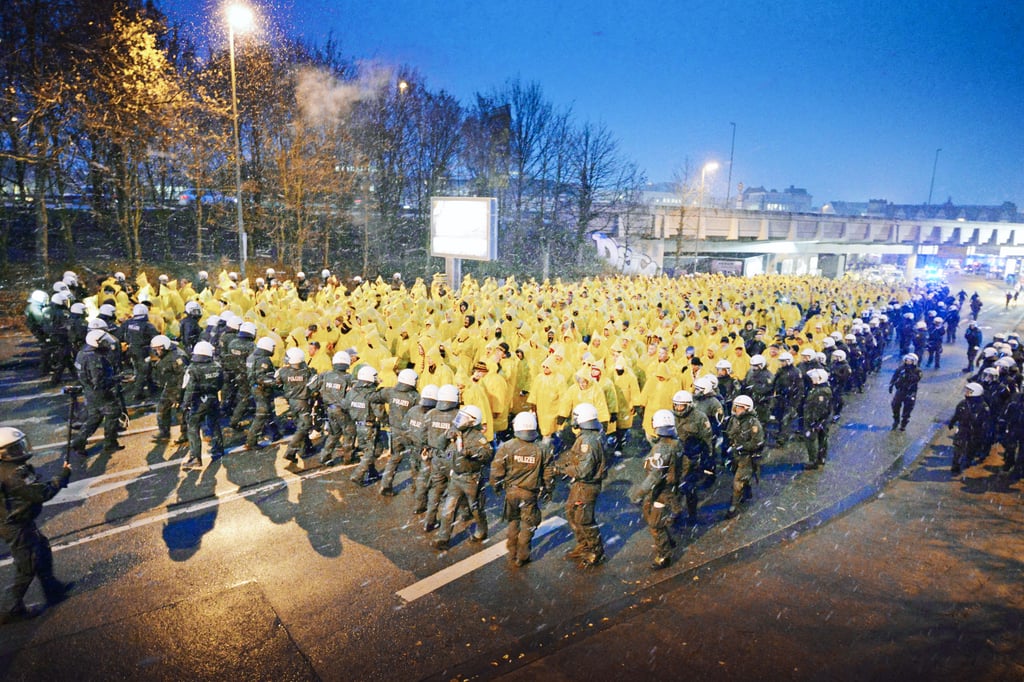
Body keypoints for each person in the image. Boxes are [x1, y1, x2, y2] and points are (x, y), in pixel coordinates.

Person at [0, 428, 72, 624]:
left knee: (41, 549)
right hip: (15, 525)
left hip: (20, 520)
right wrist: (63, 475)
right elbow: (42, 493)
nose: (19, 451)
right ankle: (10, 608)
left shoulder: (11, 469)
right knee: (27, 566)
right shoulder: (14, 473)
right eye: (14, 449)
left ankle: (52, 589)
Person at [491, 411, 555, 567]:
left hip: (511, 492)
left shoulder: (507, 447)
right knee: (528, 524)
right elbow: (548, 473)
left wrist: (496, 485)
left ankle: (512, 551)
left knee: (513, 521)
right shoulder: (542, 449)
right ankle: (523, 555)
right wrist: (548, 489)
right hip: (529, 494)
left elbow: (497, 469)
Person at [433, 405, 493, 550]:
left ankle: (481, 530)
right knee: (448, 508)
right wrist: (445, 436)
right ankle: (443, 538)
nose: (460, 420)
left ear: (473, 422)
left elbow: (487, 455)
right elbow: (439, 446)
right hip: (456, 477)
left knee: (476, 508)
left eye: (464, 418)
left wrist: (467, 452)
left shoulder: (478, 438)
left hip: (472, 479)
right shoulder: (454, 431)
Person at [557, 402, 608, 568]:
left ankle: (595, 550)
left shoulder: (588, 440)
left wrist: (562, 470)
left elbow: (584, 469)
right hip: (581, 485)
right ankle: (584, 545)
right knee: (571, 512)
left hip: (586, 485)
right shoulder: (591, 435)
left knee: (584, 519)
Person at [630, 409, 681, 569]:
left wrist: (638, 493)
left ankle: (664, 555)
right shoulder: (676, 443)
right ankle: (669, 541)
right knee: (654, 518)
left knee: (655, 524)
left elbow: (654, 475)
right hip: (669, 489)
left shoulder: (662, 448)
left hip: (661, 492)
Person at [70, 330, 125, 457]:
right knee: (113, 414)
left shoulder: (82, 353)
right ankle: (110, 444)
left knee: (94, 418)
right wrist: (117, 379)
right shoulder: (95, 358)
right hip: (100, 393)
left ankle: (79, 442)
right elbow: (98, 381)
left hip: (89, 392)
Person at [181, 341, 224, 470]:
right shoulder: (217, 366)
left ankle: (195, 458)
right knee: (214, 423)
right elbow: (221, 383)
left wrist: (185, 404)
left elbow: (189, 388)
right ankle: (218, 449)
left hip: (199, 401)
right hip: (213, 398)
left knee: (193, 427)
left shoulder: (192, 368)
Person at [670, 390, 712, 523]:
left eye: (681, 405)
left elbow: (707, 438)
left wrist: (707, 459)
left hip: (691, 458)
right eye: (676, 405)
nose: (678, 408)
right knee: (673, 485)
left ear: (688, 405)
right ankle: (676, 512)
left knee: (689, 488)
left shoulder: (700, 417)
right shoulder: (671, 416)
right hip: (674, 457)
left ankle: (692, 514)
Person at [343, 365, 387, 485]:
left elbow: (345, 406)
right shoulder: (372, 394)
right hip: (370, 426)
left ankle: (372, 472)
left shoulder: (352, 392)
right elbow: (380, 412)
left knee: (370, 449)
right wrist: (387, 422)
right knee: (374, 451)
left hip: (358, 425)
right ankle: (358, 475)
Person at [379, 368, 419, 496]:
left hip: (395, 430)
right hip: (410, 432)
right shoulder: (414, 396)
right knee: (415, 459)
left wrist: (384, 417)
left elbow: (375, 397)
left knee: (395, 458)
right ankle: (417, 487)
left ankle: (386, 485)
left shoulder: (391, 392)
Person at [310, 351, 355, 465]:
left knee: (334, 434)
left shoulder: (325, 375)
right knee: (348, 433)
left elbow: (311, 386)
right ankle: (348, 458)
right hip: (343, 410)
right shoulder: (348, 377)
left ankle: (325, 456)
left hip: (329, 408)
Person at [724, 394, 765, 518]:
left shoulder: (754, 423)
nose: (737, 410)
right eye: (736, 407)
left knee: (738, 482)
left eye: (740, 408)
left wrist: (743, 446)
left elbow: (758, 442)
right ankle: (746, 492)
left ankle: (734, 506)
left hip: (747, 457)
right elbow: (729, 433)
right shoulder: (733, 420)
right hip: (735, 454)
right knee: (736, 474)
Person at [277, 347, 317, 465]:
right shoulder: (308, 372)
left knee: (300, 424)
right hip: (303, 402)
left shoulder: (283, 371)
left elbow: (277, 382)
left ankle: (306, 447)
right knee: (305, 425)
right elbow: (314, 386)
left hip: (291, 401)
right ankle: (291, 450)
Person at [150, 335, 189, 443]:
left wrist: (179, 395)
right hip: (169, 387)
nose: (156, 352)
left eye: (158, 349)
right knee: (162, 409)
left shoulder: (177, 357)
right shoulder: (166, 355)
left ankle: (185, 434)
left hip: (179, 388)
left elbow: (183, 376)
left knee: (181, 412)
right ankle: (164, 433)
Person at [948, 382, 992, 475]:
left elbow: (986, 421)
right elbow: (957, 414)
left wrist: (984, 432)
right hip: (963, 429)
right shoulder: (963, 403)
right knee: (958, 447)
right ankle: (956, 465)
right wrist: (952, 422)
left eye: (969, 391)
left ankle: (968, 460)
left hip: (975, 431)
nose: (966, 393)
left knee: (972, 448)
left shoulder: (983, 406)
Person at [802, 369, 832, 469]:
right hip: (821, 420)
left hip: (815, 420)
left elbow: (819, 409)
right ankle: (821, 458)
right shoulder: (821, 389)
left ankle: (813, 460)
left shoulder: (820, 392)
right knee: (822, 438)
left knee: (811, 440)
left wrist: (814, 422)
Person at [888, 353, 922, 431]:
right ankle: (896, 420)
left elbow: (916, 379)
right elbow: (895, 376)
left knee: (908, 408)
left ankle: (904, 423)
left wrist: (909, 372)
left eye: (910, 361)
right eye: (907, 360)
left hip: (910, 392)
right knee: (895, 405)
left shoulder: (917, 370)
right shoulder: (901, 369)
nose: (908, 362)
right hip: (901, 390)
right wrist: (891, 385)